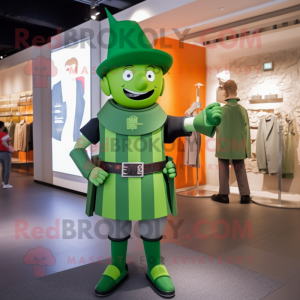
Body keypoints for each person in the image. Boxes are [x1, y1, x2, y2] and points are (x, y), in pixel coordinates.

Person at [70, 8, 222, 298]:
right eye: (129, 74)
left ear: (160, 80)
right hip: (114, 184)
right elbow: (77, 149)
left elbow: (187, 122)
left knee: (153, 226)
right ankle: (117, 265)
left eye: (149, 74)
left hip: (152, 183)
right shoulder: (101, 119)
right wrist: (89, 169)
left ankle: (155, 265)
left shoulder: (159, 117)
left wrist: (204, 121)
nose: (141, 82)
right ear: (108, 81)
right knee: (117, 226)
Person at [212, 80, 251, 204]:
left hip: (224, 145)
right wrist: (247, 150)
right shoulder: (243, 111)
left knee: (223, 167)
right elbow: (247, 132)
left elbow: (215, 129)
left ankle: (223, 194)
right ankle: (245, 195)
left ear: (225, 92)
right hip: (238, 146)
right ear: (236, 91)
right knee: (240, 167)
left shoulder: (221, 111)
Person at [0, 121, 14, 188]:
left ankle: (3, 182)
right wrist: (8, 147)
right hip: (5, 153)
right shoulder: (5, 134)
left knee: (3, 168)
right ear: (3, 126)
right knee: (7, 169)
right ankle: (6, 184)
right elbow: (3, 142)